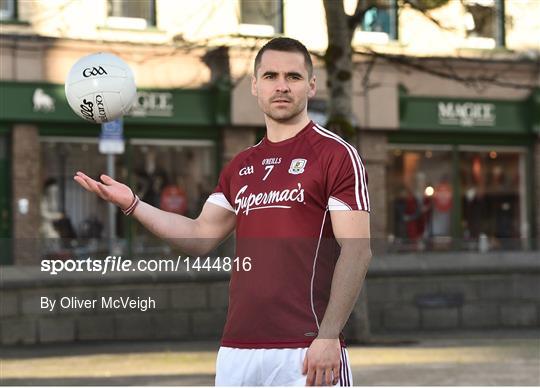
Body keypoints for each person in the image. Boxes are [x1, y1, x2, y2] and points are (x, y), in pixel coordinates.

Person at [74, 37, 371, 386]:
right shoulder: (241, 166)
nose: (281, 86)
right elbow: (200, 236)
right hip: (237, 350)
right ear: (255, 86)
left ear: (311, 85)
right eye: (271, 75)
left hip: (305, 347)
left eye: (293, 76)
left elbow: (357, 249)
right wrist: (133, 204)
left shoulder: (335, 155)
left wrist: (329, 335)